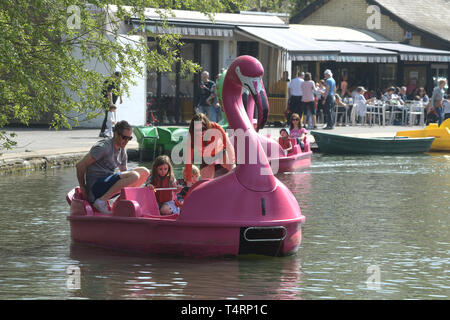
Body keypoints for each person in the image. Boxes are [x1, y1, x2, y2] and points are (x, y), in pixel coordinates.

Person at [76, 120, 150, 214]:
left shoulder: (122, 150)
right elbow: (80, 166)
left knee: (145, 172)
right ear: (116, 134)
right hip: (95, 188)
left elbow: (125, 173)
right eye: (124, 137)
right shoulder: (103, 147)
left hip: (107, 184)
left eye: (129, 138)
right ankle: (100, 202)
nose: (126, 141)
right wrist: (83, 188)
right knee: (134, 175)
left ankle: (120, 202)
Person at [184, 113, 235, 181]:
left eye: (203, 128)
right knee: (205, 180)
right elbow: (188, 159)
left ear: (207, 125)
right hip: (206, 157)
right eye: (198, 130)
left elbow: (228, 146)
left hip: (220, 152)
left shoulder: (216, 127)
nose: (201, 132)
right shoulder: (192, 136)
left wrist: (232, 163)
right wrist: (188, 180)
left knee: (233, 168)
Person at [99, 71, 122, 138]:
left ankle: (110, 131)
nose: (118, 79)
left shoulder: (117, 81)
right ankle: (102, 132)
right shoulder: (109, 81)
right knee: (107, 116)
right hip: (107, 101)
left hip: (113, 101)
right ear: (114, 76)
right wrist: (111, 103)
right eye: (117, 78)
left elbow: (119, 89)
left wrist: (120, 98)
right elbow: (109, 93)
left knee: (111, 117)